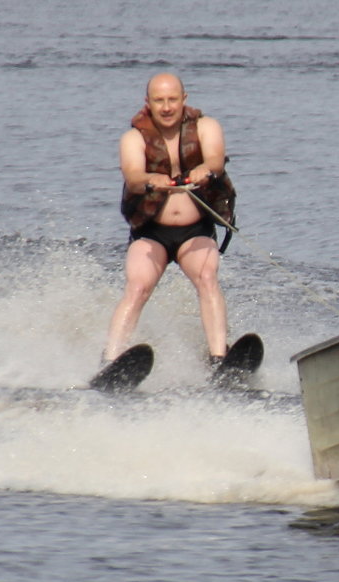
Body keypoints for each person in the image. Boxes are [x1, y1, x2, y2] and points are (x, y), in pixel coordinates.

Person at [104, 72, 237, 364]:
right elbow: (134, 177)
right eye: (159, 100)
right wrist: (152, 179)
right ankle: (110, 359)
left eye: (172, 100)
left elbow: (215, 158)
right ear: (148, 102)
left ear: (183, 100)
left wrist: (207, 170)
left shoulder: (207, 126)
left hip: (196, 231)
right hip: (152, 233)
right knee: (138, 287)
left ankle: (218, 358)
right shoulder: (133, 137)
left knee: (207, 277)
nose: (166, 107)